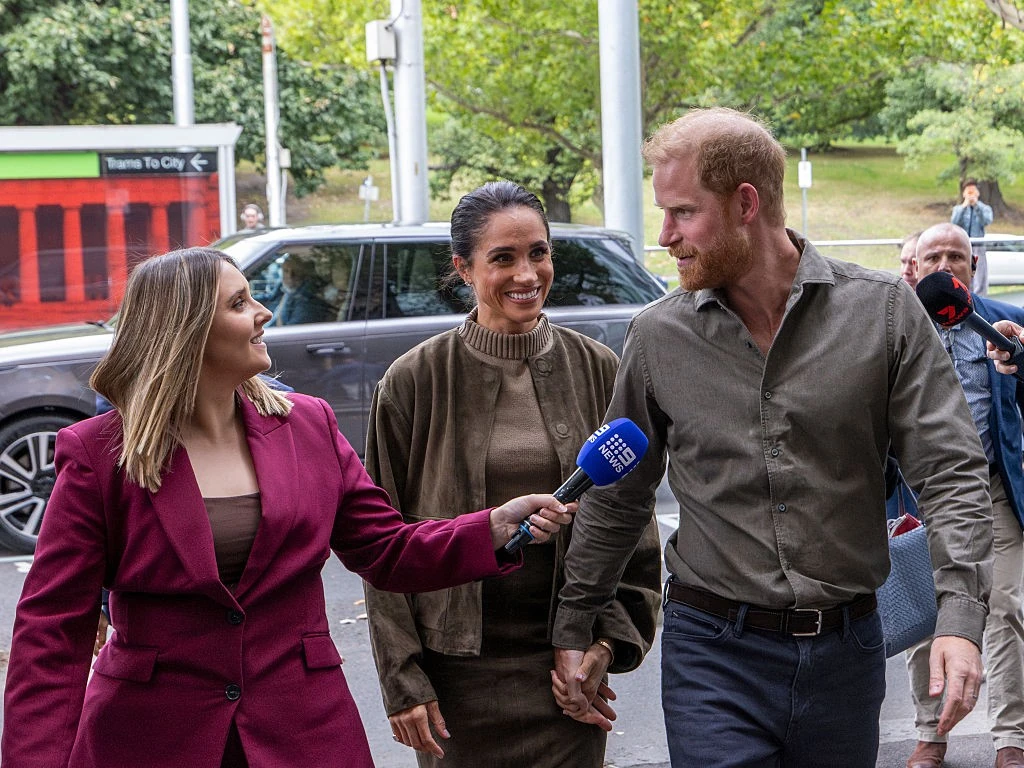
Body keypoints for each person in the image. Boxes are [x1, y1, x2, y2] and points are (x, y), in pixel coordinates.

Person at [1, 246, 574, 768]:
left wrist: (492, 528)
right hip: (148, 738)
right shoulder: (101, 453)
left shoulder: (309, 426)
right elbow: (52, 629)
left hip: (303, 733)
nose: (264, 314)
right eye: (239, 302)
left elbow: (386, 550)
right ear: (186, 332)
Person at [551, 107, 994, 768]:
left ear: (745, 204)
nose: (665, 235)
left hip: (847, 653)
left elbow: (951, 471)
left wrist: (960, 619)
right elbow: (620, 496)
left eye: (681, 212)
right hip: (713, 653)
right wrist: (575, 622)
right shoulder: (657, 336)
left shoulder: (884, 313)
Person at [363, 181, 662, 768]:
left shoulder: (599, 369)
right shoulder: (413, 382)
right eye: (503, 258)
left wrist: (607, 643)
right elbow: (380, 547)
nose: (527, 273)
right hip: (455, 679)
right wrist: (403, 678)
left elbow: (634, 523)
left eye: (539, 253)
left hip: (567, 670)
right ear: (464, 269)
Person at [904, 222, 1024, 768]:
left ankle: (1010, 740)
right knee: (927, 616)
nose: (946, 266)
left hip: (994, 489)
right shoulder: (895, 327)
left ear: (974, 267)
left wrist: (1020, 360)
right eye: (934, 258)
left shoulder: (1005, 323)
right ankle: (931, 735)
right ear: (916, 266)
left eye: (958, 256)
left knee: (1006, 610)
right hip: (919, 495)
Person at [261, 255, 333, 326]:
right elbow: (270, 298)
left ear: (305, 274)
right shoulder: (284, 286)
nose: (290, 276)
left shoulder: (307, 301)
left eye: (296, 271)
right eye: (286, 271)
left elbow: (289, 333)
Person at [951, 179, 994, 295]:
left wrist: (976, 206)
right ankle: (964, 294)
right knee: (962, 270)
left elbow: (987, 220)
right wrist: (964, 206)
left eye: (973, 191)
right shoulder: (958, 209)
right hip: (962, 245)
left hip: (978, 245)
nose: (970, 195)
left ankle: (980, 297)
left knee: (980, 274)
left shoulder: (985, 208)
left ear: (978, 193)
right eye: (968, 192)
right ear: (964, 193)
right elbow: (953, 223)